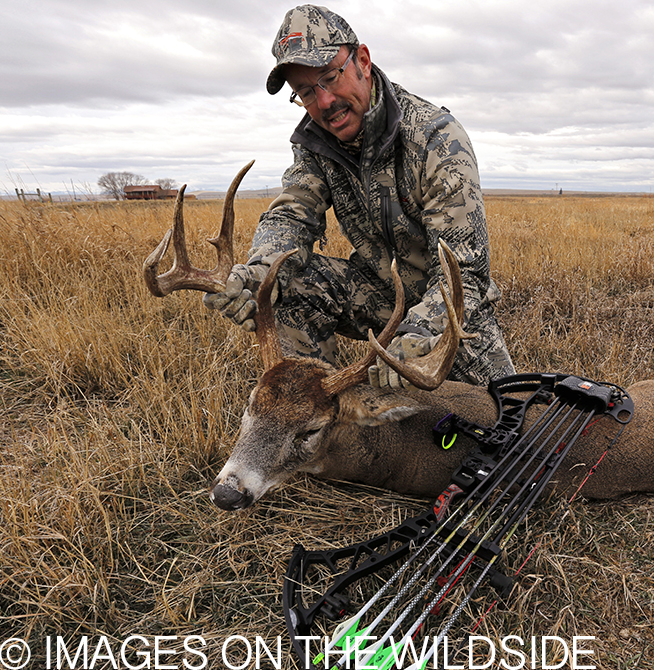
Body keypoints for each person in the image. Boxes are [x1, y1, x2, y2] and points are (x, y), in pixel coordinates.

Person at [204, 5, 514, 389]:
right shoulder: (315, 144)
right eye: (304, 92)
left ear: (362, 61)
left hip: (449, 313)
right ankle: (316, 421)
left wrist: (417, 333)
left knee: (507, 424)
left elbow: (464, 274)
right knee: (285, 287)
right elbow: (291, 217)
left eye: (329, 77)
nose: (324, 101)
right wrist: (258, 275)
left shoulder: (437, 138)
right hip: (378, 297)